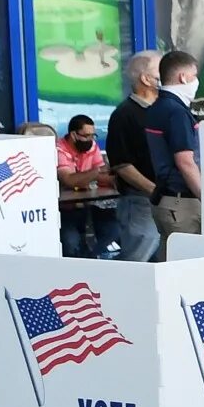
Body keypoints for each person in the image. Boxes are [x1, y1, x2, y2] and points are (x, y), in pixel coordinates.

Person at [144, 49, 204, 253]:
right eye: (194, 76)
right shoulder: (176, 112)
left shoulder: (157, 107)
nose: (196, 81)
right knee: (185, 269)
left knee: (169, 264)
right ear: (183, 77)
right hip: (182, 203)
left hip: (166, 200)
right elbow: (185, 161)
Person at [105, 50, 163, 262]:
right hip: (142, 202)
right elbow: (121, 164)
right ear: (146, 79)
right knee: (137, 262)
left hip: (171, 202)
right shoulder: (125, 114)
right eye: (161, 70)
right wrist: (155, 190)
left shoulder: (166, 108)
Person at [58, 115, 119, 258]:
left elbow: (103, 176)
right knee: (71, 242)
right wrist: (95, 173)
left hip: (89, 203)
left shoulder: (92, 146)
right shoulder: (59, 150)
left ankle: (92, 258)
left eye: (93, 135)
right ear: (73, 135)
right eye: (86, 136)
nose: (90, 140)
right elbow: (69, 180)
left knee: (113, 231)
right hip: (65, 208)